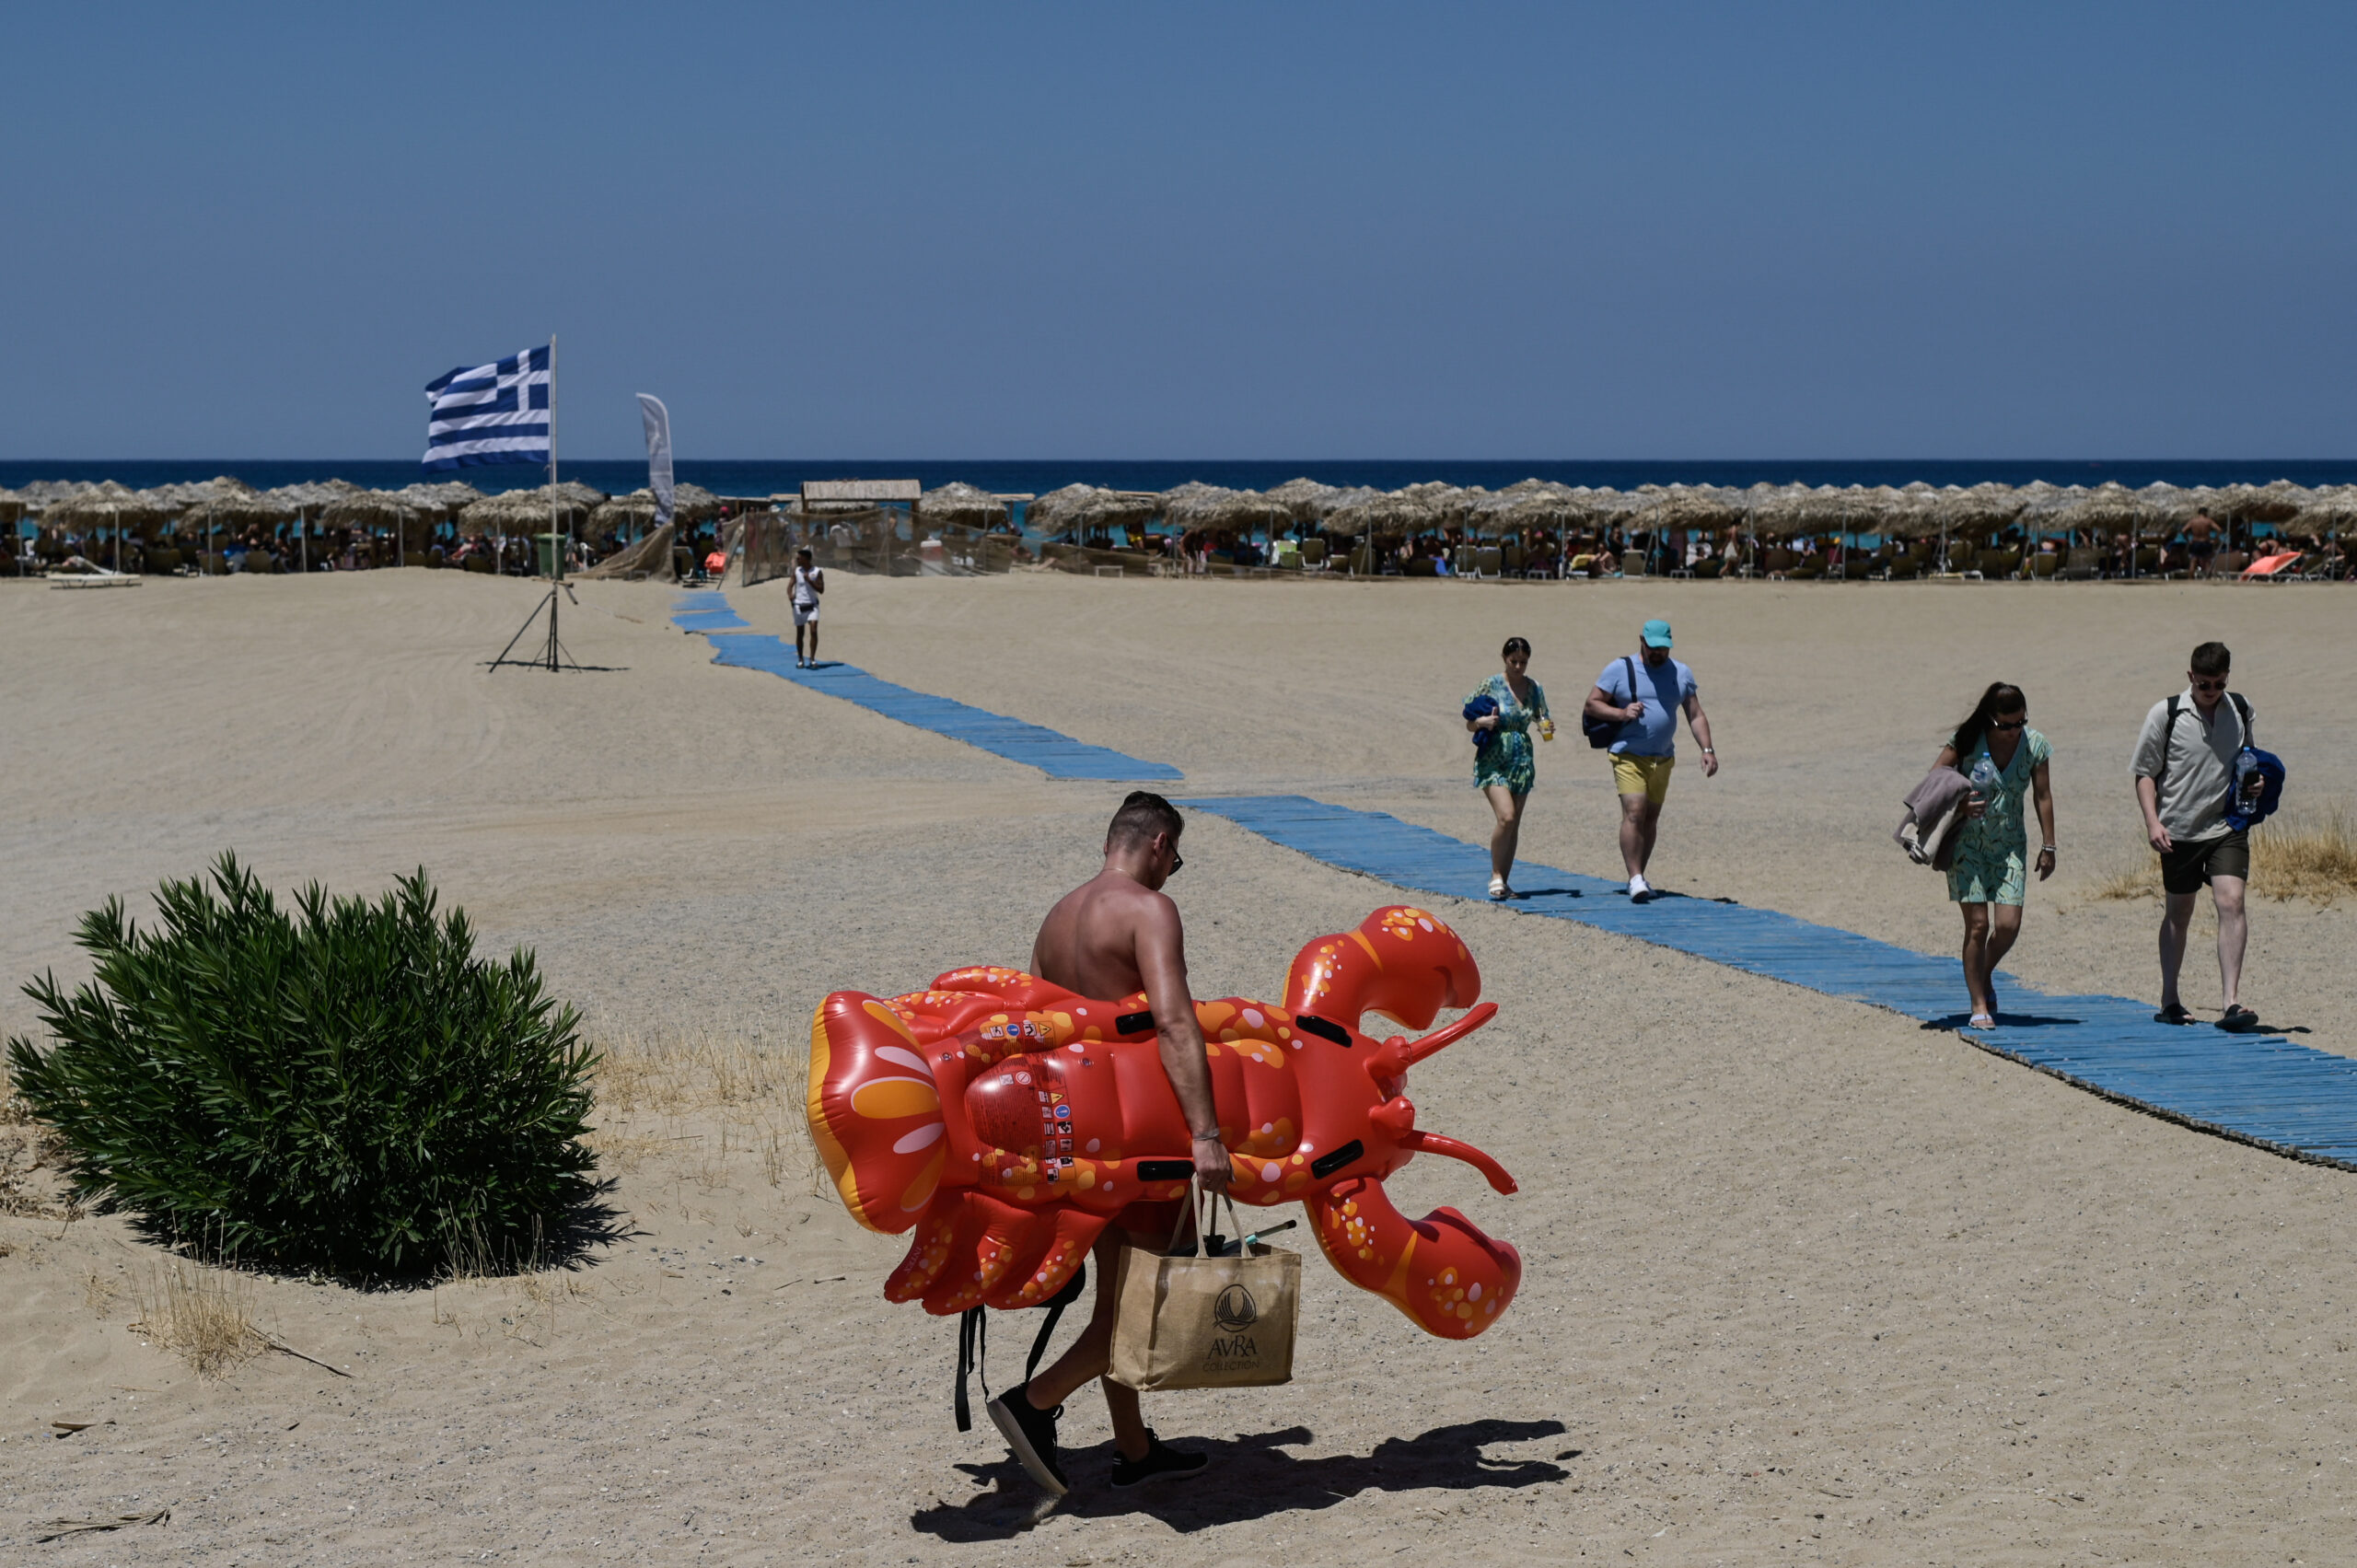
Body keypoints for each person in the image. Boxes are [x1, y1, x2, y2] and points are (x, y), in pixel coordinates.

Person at [986, 792, 1223, 1497]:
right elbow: (1175, 1024)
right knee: (1141, 1304)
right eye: (1174, 858)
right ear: (1157, 843)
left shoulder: (1057, 918)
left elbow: (1033, 1035)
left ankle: (1134, 1447)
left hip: (1084, 1144)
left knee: (1116, 1297)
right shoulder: (1150, 911)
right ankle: (1033, 1403)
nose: (1172, 871)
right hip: (1143, 1137)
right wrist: (1206, 1134)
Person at [2133, 642, 2260, 1031]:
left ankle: (2231, 1004)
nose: (2211, 691)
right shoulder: (2166, 713)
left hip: (2226, 828)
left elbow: (2249, 760)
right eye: (2204, 683)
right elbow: (2143, 774)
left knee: (2232, 901)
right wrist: (2153, 823)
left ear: (2227, 679)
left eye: (2218, 684)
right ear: (2191, 677)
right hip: (2179, 832)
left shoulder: (2240, 709)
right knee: (2179, 912)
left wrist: (2255, 784)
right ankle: (2170, 999)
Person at [1932, 682, 2057, 1028]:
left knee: (2007, 926)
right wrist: (1960, 802)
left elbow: (2043, 796)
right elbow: (1935, 776)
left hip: (2010, 846)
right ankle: (1978, 1003)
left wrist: (2049, 845)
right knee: (1977, 925)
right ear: (1991, 719)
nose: (2015, 731)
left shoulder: (2035, 745)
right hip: (1966, 845)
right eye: (2006, 725)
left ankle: (1983, 972)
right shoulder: (1968, 740)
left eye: (2020, 722)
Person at [1583, 619, 1716, 902]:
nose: (1658, 653)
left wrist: (1707, 750)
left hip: (1663, 757)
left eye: (1663, 648)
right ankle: (1634, 878)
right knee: (1634, 811)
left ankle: (1640, 875)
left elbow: (1696, 714)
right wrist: (1621, 714)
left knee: (1650, 818)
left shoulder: (1681, 673)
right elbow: (1592, 703)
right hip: (1627, 753)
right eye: (1653, 647)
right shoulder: (1620, 669)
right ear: (1641, 640)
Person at [1464, 636, 1552, 899]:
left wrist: (1546, 727)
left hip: (1521, 760)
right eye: (1514, 661)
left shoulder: (1534, 687)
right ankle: (1495, 874)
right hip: (1493, 758)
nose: (1518, 667)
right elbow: (1469, 720)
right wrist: (1481, 721)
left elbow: (1542, 716)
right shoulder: (1491, 684)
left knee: (1514, 824)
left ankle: (1504, 881)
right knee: (1507, 816)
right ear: (1505, 659)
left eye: (1523, 662)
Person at [788, 547, 824, 668]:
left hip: (812, 605)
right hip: (799, 605)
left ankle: (812, 659)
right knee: (800, 633)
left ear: (806, 559)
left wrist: (809, 580)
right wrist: (790, 595)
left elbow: (821, 590)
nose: (797, 559)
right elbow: (790, 585)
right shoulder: (797, 571)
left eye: (799, 557)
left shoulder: (817, 571)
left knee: (813, 630)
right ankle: (800, 659)